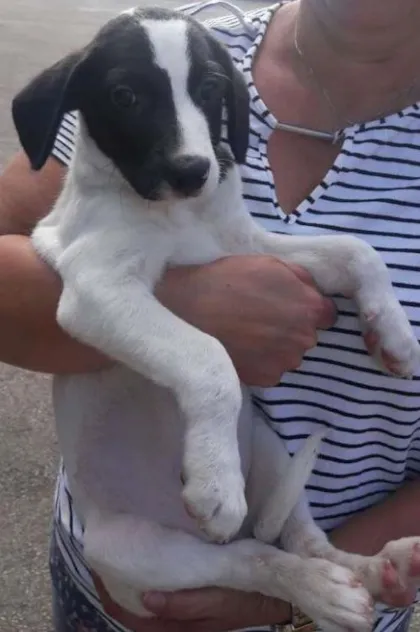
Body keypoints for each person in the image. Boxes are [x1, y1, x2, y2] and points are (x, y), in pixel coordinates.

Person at [2, 0, 420, 630]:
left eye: (205, 97)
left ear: (224, 104)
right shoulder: (179, 44)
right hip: (125, 545)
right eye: (128, 98)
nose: (189, 148)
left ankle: (313, 563)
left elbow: (250, 247)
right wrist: (201, 323)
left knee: (266, 448)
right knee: (117, 546)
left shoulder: (211, 114)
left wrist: (363, 271)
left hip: (308, 564)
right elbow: (85, 298)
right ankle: (276, 568)